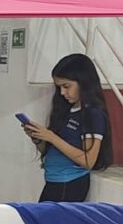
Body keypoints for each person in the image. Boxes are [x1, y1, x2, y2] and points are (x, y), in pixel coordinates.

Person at [23, 53, 113, 202]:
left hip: (69, 183)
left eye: (66, 86)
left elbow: (88, 161)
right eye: (59, 87)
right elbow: (53, 151)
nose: (62, 92)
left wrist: (52, 137)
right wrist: (38, 138)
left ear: (84, 82)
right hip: (53, 180)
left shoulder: (92, 114)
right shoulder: (66, 110)